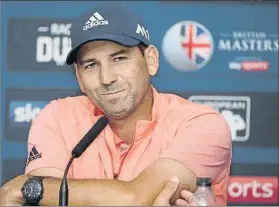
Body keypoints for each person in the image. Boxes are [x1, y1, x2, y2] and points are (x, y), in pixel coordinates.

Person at [0, 3, 232, 206]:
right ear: (79, 78)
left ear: (150, 60)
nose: (107, 78)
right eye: (91, 65)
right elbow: (47, 204)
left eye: (119, 58)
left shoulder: (201, 124)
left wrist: (27, 188)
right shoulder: (57, 117)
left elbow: (136, 198)